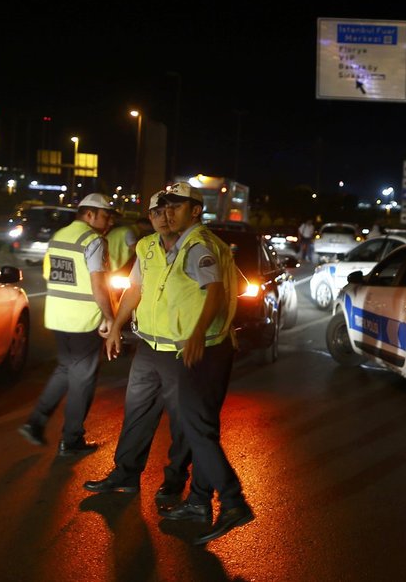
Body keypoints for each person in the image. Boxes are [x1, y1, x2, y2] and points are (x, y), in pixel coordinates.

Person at [153, 181, 254, 546]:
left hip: (203, 349)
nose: (168, 212)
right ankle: (198, 502)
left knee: (196, 428)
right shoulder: (197, 243)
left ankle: (232, 502)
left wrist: (196, 333)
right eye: (165, 207)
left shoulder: (197, 246)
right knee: (203, 429)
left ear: (195, 210)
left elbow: (216, 290)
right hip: (213, 346)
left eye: (176, 206)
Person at [83, 191, 193, 505]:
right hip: (147, 345)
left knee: (181, 419)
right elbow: (135, 289)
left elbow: (212, 295)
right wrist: (116, 327)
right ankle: (125, 475)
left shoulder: (197, 247)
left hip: (179, 349)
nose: (162, 218)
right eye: (155, 212)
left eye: (168, 211)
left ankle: (174, 481)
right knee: (137, 413)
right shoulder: (146, 247)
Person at [19, 193, 117, 456]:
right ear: (89, 214)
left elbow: (48, 273)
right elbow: (98, 283)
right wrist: (110, 317)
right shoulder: (93, 240)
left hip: (58, 316)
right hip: (83, 319)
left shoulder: (59, 236)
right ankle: (71, 440)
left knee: (65, 369)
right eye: (106, 215)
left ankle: (35, 422)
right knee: (82, 380)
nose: (108, 221)